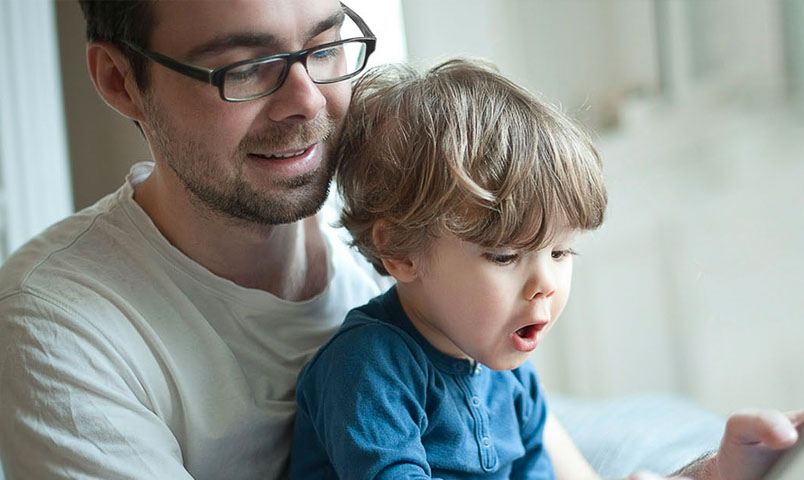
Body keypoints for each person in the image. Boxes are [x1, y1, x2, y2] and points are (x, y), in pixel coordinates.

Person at [0, 0, 798, 479]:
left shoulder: (426, 242)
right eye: (244, 68)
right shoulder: (62, 325)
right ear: (117, 80)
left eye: (325, 45)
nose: (308, 102)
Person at [289, 58, 607, 479]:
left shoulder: (514, 382)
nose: (545, 285)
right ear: (402, 252)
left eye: (561, 253)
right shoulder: (368, 368)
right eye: (504, 256)